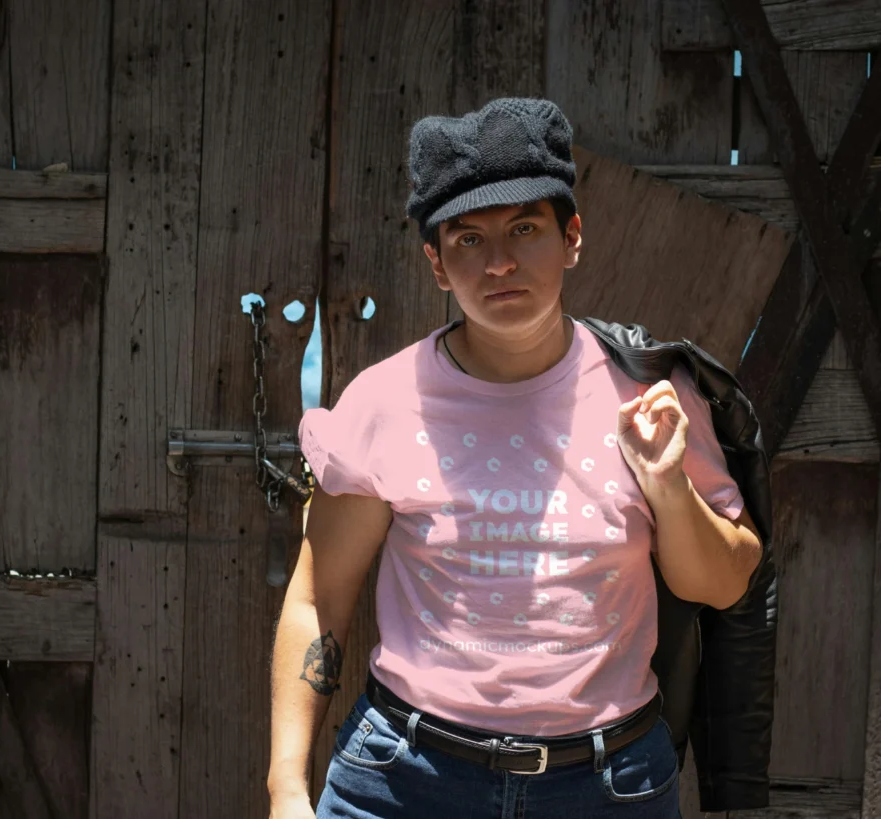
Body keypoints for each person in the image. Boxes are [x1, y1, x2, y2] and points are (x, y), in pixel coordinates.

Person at [266, 98, 764, 819]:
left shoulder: (652, 394)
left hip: (606, 785)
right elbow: (319, 598)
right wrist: (285, 785)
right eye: (467, 240)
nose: (498, 261)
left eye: (525, 228)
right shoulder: (384, 402)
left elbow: (723, 584)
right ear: (437, 264)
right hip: (405, 782)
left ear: (572, 238)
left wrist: (665, 486)